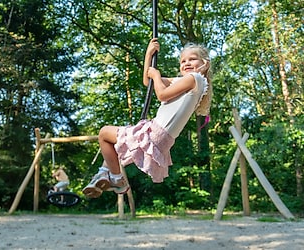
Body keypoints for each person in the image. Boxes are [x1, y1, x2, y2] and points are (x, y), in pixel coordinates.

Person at [82, 38, 212, 198]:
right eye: (183, 60)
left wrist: (157, 75)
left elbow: (161, 94)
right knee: (116, 145)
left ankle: (116, 179)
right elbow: (148, 82)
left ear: (205, 63)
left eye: (192, 59)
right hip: (162, 138)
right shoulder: (183, 81)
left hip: (156, 134)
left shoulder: (195, 78)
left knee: (103, 133)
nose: (186, 63)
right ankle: (103, 173)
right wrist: (148, 55)